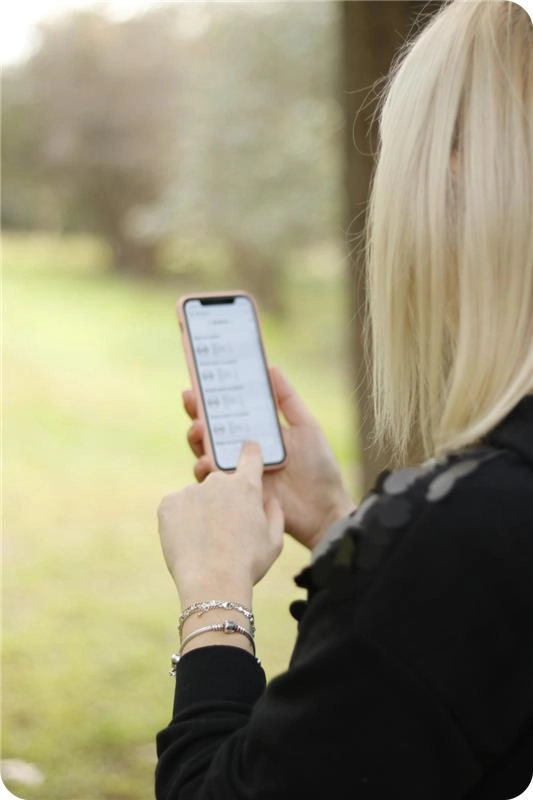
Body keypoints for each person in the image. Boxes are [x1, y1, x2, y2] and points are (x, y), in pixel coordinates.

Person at [155, 1, 533, 797]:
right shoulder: (463, 536)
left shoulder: (466, 529)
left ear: (458, 173)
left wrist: (214, 598)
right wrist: (339, 525)